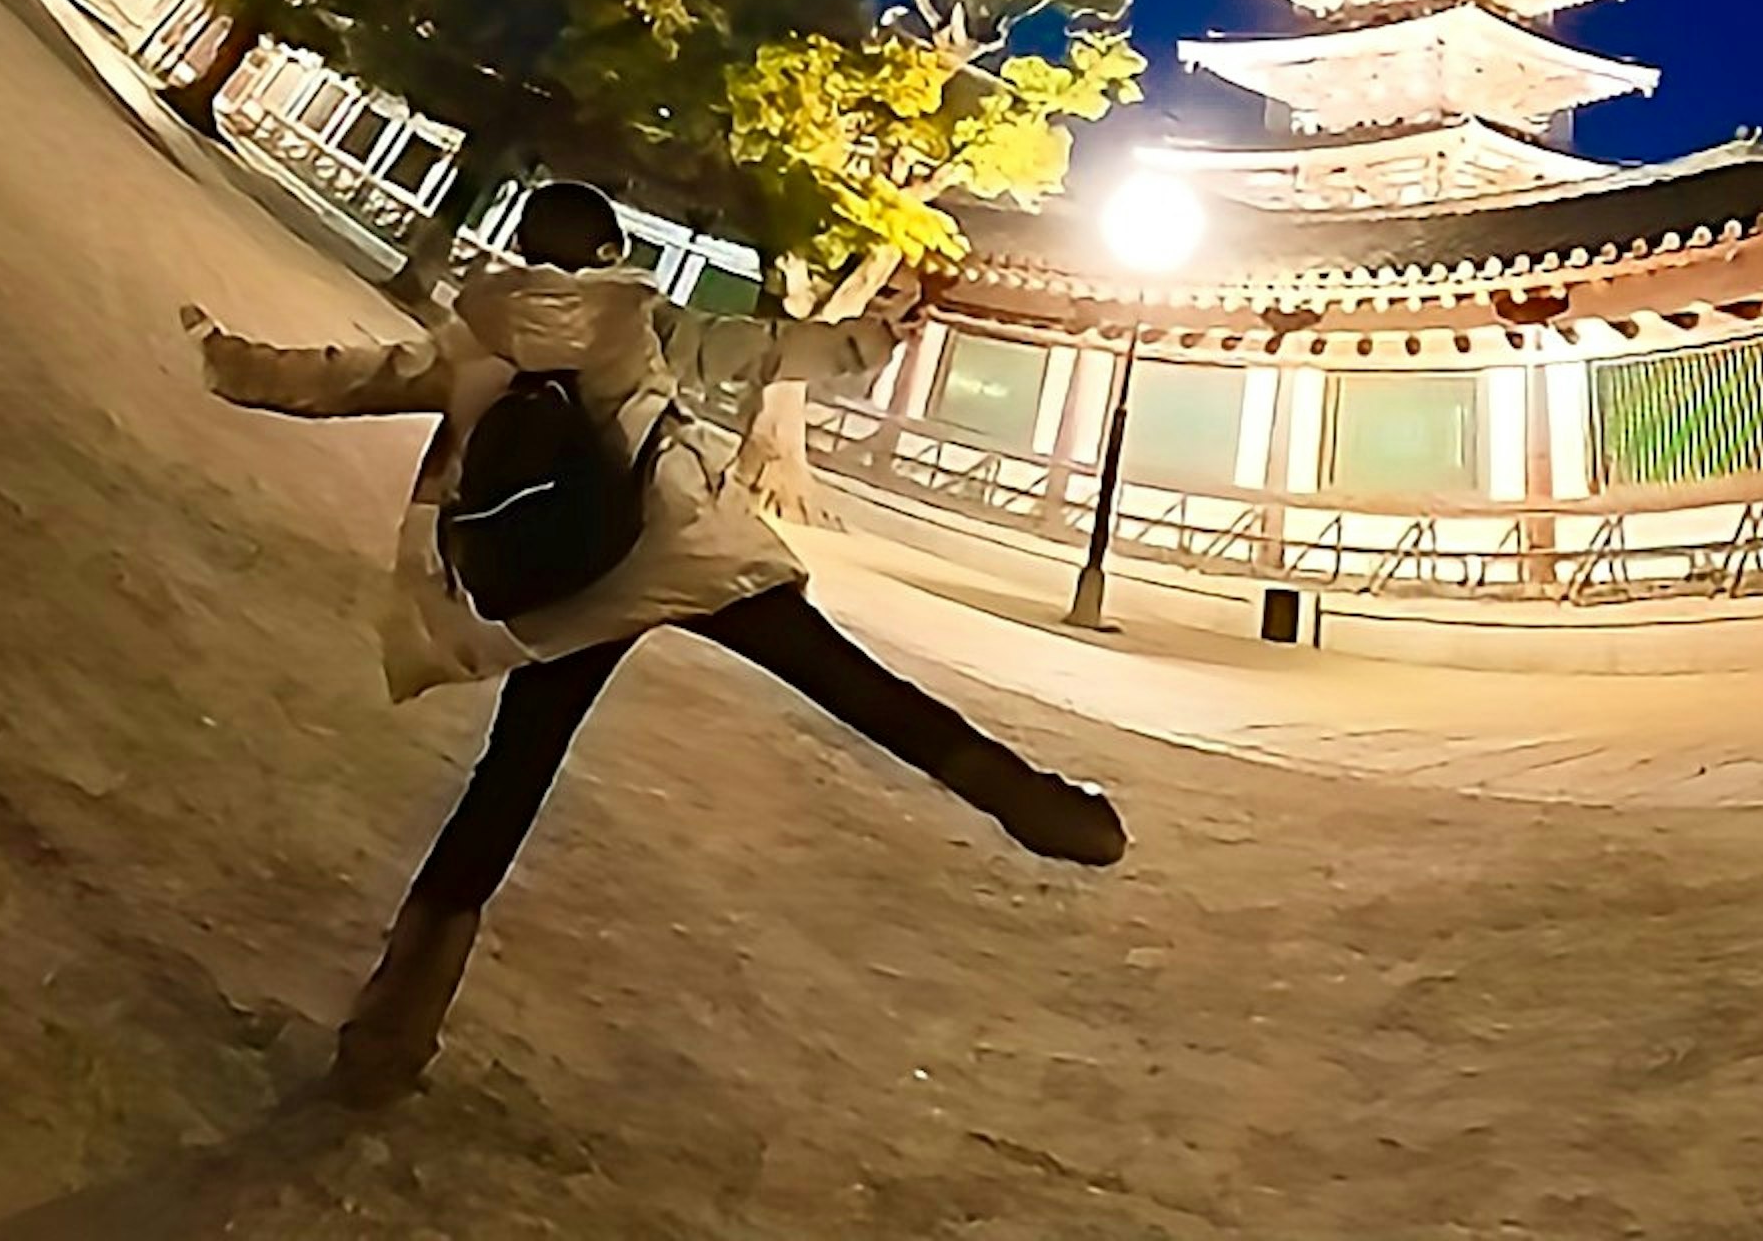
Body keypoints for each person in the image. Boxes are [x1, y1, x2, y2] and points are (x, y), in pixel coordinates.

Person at [189, 181, 1126, 1103]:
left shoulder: (472, 340)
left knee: (508, 779)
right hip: (684, 550)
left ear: (525, 247)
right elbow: (768, 350)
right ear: (608, 255)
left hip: (569, 584)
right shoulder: (645, 322)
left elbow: (344, 379)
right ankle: (1032, 801)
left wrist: (224, 356)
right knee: (852, 683)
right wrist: (873, 333)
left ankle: (390, 1027)